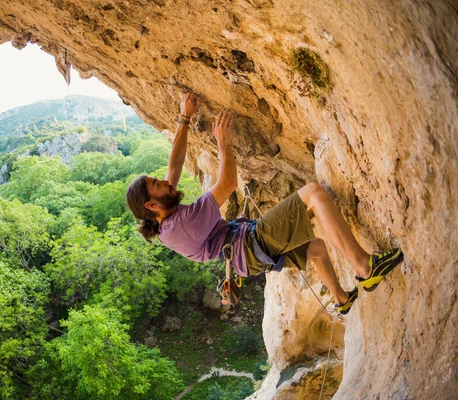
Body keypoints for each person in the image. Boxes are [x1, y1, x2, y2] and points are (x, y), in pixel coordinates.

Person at [126, 92, 404, 314]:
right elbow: (227, 185)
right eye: (157, 184)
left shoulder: (164, 219)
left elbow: (174, 165)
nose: (164, 182)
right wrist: (223, 144)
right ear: (151, 204)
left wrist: (184, 117)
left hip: (246, 257)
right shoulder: (183, 224)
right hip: (248, 244)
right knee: (314, 194)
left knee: (317, 249)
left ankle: (341, 300)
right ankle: (366, 268)